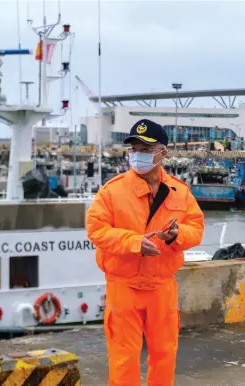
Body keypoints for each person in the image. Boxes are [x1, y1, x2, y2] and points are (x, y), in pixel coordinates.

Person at [86, 119, 204, 386]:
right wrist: (133, 242)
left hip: (162, 288)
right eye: (134, 148)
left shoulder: (180, 193)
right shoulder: (112, 192)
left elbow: (196, 229)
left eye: (146, 149)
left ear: (163, 153)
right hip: (123, 286)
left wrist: (177, 236)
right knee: (123, 358)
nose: (138, 154)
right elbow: (96, 230)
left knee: (164, 355)